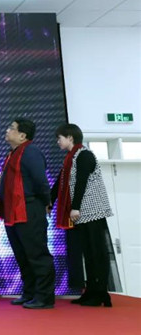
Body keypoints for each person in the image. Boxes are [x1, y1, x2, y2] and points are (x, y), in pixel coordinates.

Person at [49, 123, 114, 307]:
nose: (57, 141)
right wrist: (50, 202)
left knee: (96, 252)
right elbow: (60, 183)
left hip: (91, 212)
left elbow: (81, 182)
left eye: (59, 138)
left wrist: (75, 207)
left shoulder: (84, 155)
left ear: (70, 137)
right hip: (81, 214)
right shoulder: (70, 158)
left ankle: (101, 292)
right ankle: (91, 291)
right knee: (87, 253)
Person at [0, 118, 55, 309]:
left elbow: (40, 181)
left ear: (22, 135)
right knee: (23, 255)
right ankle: (29, 293)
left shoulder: (31, 152)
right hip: (13, 211)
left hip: (29, 209)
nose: (7, 130)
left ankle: (44, 297)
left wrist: (46, 202)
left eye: (11, 128)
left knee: (37, 255)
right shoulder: (13, 153)